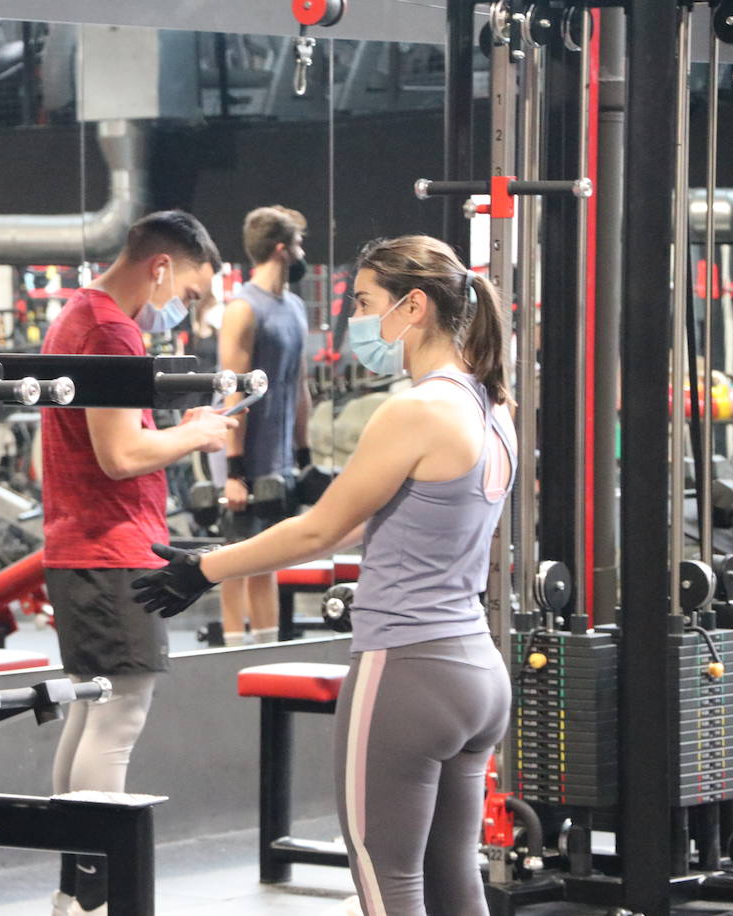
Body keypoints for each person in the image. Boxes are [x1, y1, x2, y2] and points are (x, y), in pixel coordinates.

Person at [134, 235, 516, 916]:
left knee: (384, 878)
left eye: (366, 303)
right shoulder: (493, 408)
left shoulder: (416, 409)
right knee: (453, 875)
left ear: (415, 306)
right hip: (477, 673)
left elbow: (321, 529)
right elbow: (370, 517)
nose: (356, 321)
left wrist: (205, 569)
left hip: (408, 671)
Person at [39, 210, 238, 916]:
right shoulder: (112, 331)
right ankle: (92, 899)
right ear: (159, 268)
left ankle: (73, 898)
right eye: (185, 293)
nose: (181, 311)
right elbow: (119, 455)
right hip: (110, 548)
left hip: (84, 546)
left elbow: (110, 444)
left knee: (89, 715)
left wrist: (178, 429)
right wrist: (199, 434)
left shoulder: (77, 316)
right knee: (116, 720)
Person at [217, 205, 314, 646]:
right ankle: (233, 655)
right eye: (298, 242)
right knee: (236, 561)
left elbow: (300, 385)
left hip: (280, 460)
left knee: (269, 561)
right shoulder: (242, 309)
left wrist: (304, 452)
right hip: (244, 457)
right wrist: (235, 470)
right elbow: (233, 393)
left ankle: (267, 650)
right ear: (281, 249)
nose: (301, 251)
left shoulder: (294, 306)